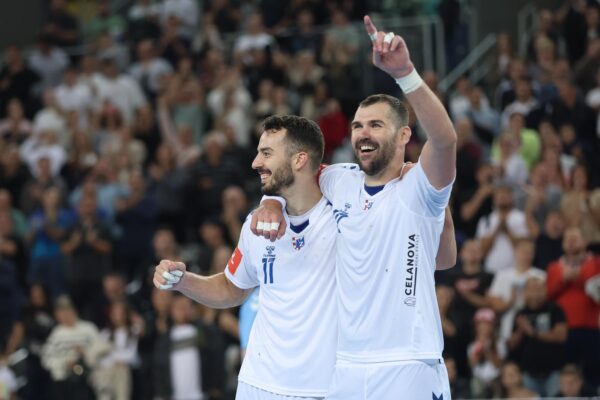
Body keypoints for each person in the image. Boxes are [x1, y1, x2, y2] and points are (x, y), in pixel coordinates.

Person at [154, 115, 456, 400]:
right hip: (258, 384)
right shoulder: (256, 224)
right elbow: (231, 289)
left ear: (300, 160)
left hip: (329, 388)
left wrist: (419, 184)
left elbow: (392, 184)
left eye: (267, 153)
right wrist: (184, 281)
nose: (255, 162)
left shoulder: (351, 212)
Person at [254, 16, 457, 400]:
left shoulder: (418, 187)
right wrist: (272, 201)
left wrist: (405, 74)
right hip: (345, 366)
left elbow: (445, 141)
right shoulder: (340, 179)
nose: (362, 132)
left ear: (403, 136)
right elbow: (291, 170)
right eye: (357, 125)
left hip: (409, 364)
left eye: (376, 125)